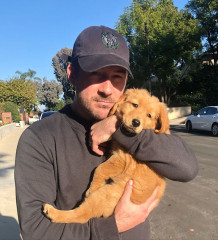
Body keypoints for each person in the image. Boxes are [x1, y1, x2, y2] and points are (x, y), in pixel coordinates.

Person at [15, 25, 198, 240]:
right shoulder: (40, 138)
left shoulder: (136, 124)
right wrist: (115, 225)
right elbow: (36, 230)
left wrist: (118, 128)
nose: (107, 89)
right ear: (72, 74)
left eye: (117, 77)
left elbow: (187, 168)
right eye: (96, 74)